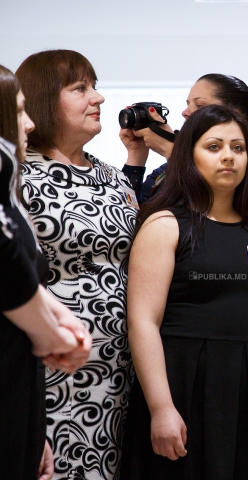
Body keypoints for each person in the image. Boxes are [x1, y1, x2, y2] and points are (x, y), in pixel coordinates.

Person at [120, 105, 248, 479]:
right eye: (214, 146)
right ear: (189, 155)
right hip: (185, 387)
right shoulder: (165, 224)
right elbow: (143, 322)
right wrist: (161, 407)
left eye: (238, 148)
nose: (228, 156)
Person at [16, 49, 142, 480]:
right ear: (45, 99)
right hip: (47, 367)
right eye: (81, 88)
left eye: (95, 86)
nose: (99, 98)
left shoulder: (113, 176)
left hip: (117, 371)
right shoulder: (17, 176)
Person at [0, 64, 92, 480]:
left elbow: (22, 268)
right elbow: (5, 262)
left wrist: (60, 323)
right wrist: (50, 333)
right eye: (19, 112)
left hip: (24, 374)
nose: (29, 123)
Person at [123, 74, 248, 220]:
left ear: (234, 114)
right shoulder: (164, 170)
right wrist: (137, 154)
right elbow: (127, 219)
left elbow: (204, 225)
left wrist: (172, 152)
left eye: (200, 105)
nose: (185, 112)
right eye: (187, 104)